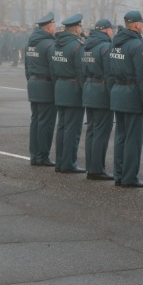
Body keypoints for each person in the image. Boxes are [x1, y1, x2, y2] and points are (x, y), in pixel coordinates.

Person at [110, 10, 143, 188]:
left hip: (118, 92)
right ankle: (129, 178)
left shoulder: (115, 43)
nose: (142, 26)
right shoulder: (138, 46)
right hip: (132, 95)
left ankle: (119, 175)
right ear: (136, 25)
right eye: (141, 23)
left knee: (120, 137)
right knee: (133, 140)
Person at [51, 14, 86, 173]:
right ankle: (68, 164)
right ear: (77, 28)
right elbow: (81, 72)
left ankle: (60, 162)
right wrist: (84, 91)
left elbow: (52, 70)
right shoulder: (77, 46)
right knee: (73, 129)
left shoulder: (55, 44)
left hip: (60, 87)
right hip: (73, 90)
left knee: (62, 127)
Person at [82, 19, 115, 180]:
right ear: (107, 30)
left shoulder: (87, 45)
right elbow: (109, 74)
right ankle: (96, 169)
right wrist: (112, 95)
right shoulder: (105, 47)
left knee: (92, 130)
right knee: (101, 132)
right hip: (101, 92)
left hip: (89, 89)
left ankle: (90, 166)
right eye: (112, 30)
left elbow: (81, 70)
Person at [25, 12, 57, 167]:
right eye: (54, 26)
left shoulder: (30, 43)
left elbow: (26, 67)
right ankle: (42, 156)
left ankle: (34, 156)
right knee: (46, 123)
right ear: (49, 27)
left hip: (33, 83)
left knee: (35, 121)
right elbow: (54, 68)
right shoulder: (49, 45)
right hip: (46, 86)